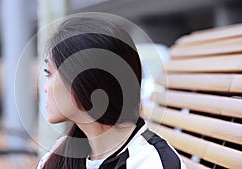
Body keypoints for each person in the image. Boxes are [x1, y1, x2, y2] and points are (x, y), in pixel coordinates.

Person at [37, 16, 186, 169]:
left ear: (85, 79)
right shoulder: (61, 154)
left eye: (49, 73)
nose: (45, 87)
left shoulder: (151, 163)